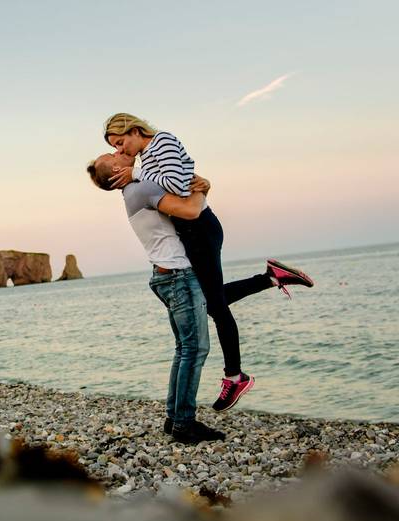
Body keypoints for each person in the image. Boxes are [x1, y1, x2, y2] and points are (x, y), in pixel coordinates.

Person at [101, 113, 314, 411]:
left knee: (215, 306)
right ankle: (271, 278)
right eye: (115, 147)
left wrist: (137, 175)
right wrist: (142, 175)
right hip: (192, 231)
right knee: (209, 301)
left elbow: (178, 186)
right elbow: (179, 184)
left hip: (200, 229)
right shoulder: (148, 156)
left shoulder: (162, 141)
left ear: (135, 130)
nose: (120, 150)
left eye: (120, 143)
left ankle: (235, 376)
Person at [87, 151, 223, 443]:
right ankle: (184, 424)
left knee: (184, 348)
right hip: (178, 275)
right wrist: (203, 188)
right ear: (115, 168)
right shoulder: (141, 188)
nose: (120, 151)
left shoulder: (134, 191)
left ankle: (175, 418)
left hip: (167, 275)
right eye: (113, 153)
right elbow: (191, 211)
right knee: (195, 348)